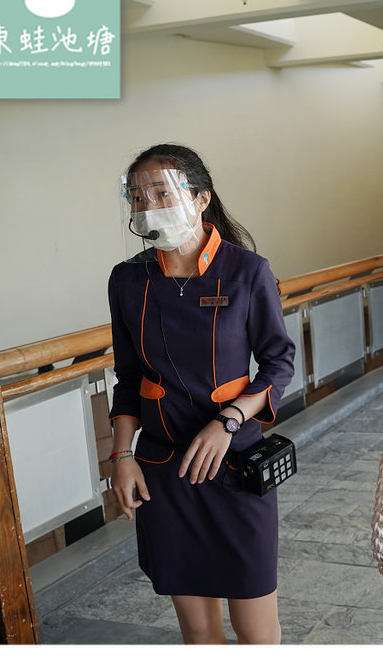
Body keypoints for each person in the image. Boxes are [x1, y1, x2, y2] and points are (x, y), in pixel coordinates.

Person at [107, 143, 295, 644]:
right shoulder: (128, 281)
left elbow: (278, 364)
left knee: (256, 632)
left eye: (160, 192)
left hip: (236, 467)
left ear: (201, 198)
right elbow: (128, 379)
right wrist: (122, 456)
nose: (147, 206)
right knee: (198, 630)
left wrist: (229, 420)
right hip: (165, 476)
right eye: (136, 197)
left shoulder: (247, 271)